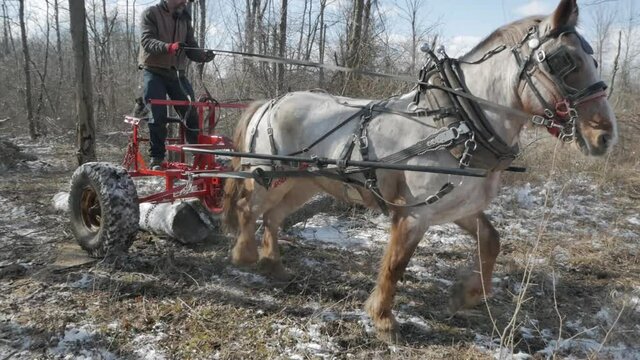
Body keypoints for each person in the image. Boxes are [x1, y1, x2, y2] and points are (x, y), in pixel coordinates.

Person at [138, 0, 215, 170]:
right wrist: (169, 47)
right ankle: (157, 158)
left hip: (177, 73)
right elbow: (147, 41)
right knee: (157, 115)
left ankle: (197, 153)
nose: (186, 2)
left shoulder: (184, 18)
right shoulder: (151, 13)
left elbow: (190, 47)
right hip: (154, 71)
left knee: (191, 111)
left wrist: (202, 56)